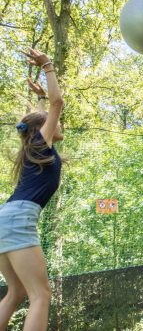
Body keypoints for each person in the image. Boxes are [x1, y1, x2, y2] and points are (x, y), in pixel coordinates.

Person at [0, 48, 64, 331]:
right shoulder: (41, 142)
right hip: (20, 218)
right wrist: (47, 66)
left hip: (5, 217)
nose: (59, 124)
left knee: (16, 292)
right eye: (53, 123)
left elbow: (43, 114)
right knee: (41, 295)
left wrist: (39, 97)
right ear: (42, 129)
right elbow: (58, 102)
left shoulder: (33, 146)